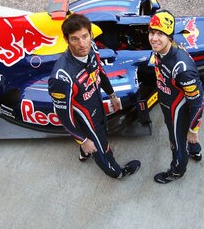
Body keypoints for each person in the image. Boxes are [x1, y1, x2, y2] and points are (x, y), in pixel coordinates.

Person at [48, 13, 141, 179]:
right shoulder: (62, 76)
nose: (82, 44)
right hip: (85, 121)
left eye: (85, 36)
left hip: (98, 106)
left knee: (101, 132)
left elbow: (100, 73)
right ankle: (117, 172)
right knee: (102, 149)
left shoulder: (92, 48)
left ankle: (84, 154)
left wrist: (112, 95)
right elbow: (62, 114)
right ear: (66, 40)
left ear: (91, 34)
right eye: (75, 39)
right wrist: (83, 140)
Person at [148, 10, 204, 184]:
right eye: (151, 32)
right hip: (167, 101)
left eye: (160, 34)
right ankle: (195, 150)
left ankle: (177, 171)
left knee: (177, 143)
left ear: (169, 37)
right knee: (187, 141)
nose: (154, 38)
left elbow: (198, 103)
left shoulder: (182, 68)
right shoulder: (163, 49)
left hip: (177, 110)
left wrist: (193, 129)